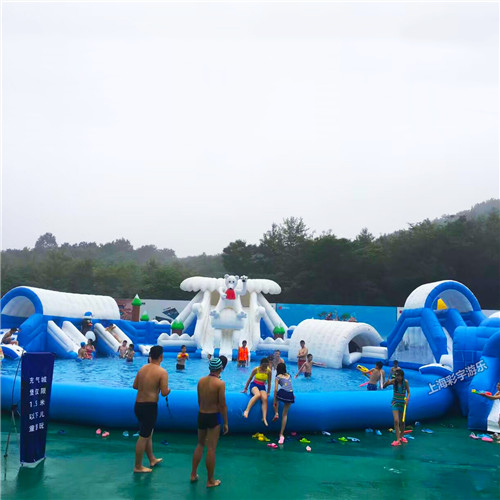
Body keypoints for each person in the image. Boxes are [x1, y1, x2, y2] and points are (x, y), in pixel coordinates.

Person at [190, 357, 228, 488]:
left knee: (200, 444)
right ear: (220, 369)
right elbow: (222, 405)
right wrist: (226, 422)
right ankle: (210, 480)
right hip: (213, 417)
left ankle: (193, 474)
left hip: (201, 415)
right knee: (211, 449)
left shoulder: (201, 381)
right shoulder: (220, 384)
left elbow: (199, 401)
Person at [132, 345, 170, 473]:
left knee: (148, 433)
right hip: (149, 407)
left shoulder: (142, 369)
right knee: (144, 436)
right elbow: (164, 392)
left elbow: (135, 386)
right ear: (161, 357)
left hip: (138, 405)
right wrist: (168, 390)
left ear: (150, 356)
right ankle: (138, 466)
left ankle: (151, 459)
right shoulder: (162, 372)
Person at [383, 368, 410, 446]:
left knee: (402, 421)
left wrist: (407, 399)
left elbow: (408, 392)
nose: (397, 378)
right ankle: (398, 439)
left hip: (403, 403)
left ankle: (402, 437)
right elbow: (383, 387)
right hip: (395, 402)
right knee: (396, 421)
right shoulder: (394, 381)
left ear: (402, 376)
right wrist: (387, 383)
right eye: (396, 376)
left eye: (398, 376)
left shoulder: (405, 382)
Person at [242, 357, 272, 426]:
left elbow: (269, 382)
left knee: (265, 399)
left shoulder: (268, 371)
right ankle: (247, 411)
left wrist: (268, 392)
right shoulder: (256, 369)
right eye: (264, 366)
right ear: (260, 364)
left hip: (262, 387)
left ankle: (264, 418)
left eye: (266, 366)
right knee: (258, 395)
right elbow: (250, 379)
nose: (265, 367)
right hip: (254, 385)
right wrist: (245, 388)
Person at [272, 362, 295, 444]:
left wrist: (274, 400)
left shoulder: (278, 377)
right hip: (290, 394)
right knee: (285, 415)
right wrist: (293, 395)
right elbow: (289, 385)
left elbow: (275, 389)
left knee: (276, 398)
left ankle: (276, 413)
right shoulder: (289, 375)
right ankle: (281, 434)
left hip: (283, 393)